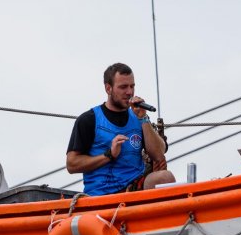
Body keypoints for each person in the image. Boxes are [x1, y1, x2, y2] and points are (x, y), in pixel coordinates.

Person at [67, 63, 175, 195]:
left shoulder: (139, 117)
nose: (129, 92)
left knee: (164, 178)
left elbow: (159, 155)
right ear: (108, 88)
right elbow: (72, 164)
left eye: (132, 86)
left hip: (134, 188)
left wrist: (144, 119)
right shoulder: (89, 119)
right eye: (123, 87)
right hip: (102, 194)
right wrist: (109, 155)